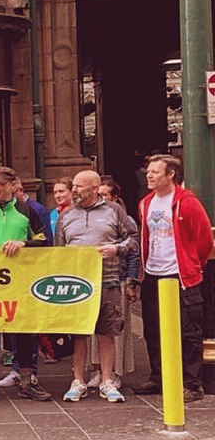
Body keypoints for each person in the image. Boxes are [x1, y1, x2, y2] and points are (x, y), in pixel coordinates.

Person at [0, 166, 52, 404]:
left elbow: (45, 241)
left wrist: (24, 244)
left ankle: (27, 381)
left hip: (20, 282)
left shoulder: (27, 210)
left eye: (0, 184)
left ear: (13, 185)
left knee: (23, 332)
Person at [134, 154, 213, 402]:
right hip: (153, 274)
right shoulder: (145, 203)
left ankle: (192, 383)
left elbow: (204, 238)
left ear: (170, 175)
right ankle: (159, 377)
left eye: (155, 171)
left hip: (181, 277)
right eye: (148, 171)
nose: (149, 175)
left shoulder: (187, 202)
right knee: (153, 329)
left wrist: (191, 265)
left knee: (189, 331)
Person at [56, 170, 137, 404]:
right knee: (78, 334)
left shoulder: (115, 211)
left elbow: (133, 239)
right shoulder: (65, 216)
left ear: (94, 188)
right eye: (74, 185)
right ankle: (78, 381)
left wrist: (116, 249)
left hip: (107, 280)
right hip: (76, 283)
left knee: (106, 332)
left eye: (80, 186)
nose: (74, 190)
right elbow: (58, 250)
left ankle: (107, 380)